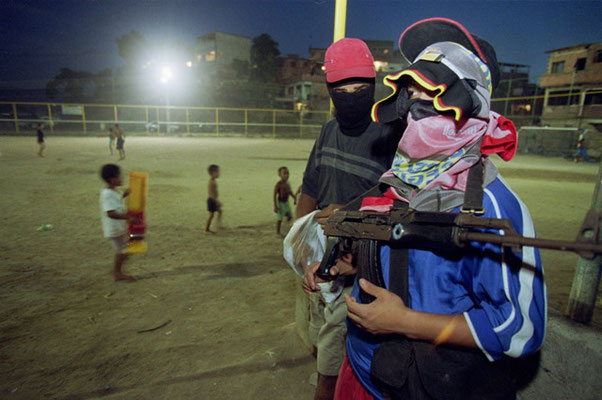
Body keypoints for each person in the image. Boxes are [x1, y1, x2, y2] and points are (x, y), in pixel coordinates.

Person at [304, 18, 548, 400]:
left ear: (468, 102)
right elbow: (406, 261)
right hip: (367, 372)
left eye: (434, 95)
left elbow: (521, 331)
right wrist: (356, 262)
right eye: (412, 95)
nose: (418, 109)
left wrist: (408, 323)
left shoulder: (494, 207)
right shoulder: (399, 179)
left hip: (436, 387)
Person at [296, 38, 399, 400]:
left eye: (361, 88)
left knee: (333, 361)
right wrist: (303, 248)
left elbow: (396, 208)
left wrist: (354, 250)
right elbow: (308, 190)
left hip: (360, 265)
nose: (352, 95)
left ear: (374, 85)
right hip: (318, 261)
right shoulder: (327, 131)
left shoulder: (391, 134)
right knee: (318, 339)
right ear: (329, 89)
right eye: (342, 88)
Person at [99, 163, 138, 281]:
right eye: (119, 176)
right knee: (121, 250)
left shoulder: (114, 191)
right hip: (114, 229)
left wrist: (125, 194)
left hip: (119, 227)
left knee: (124, 249)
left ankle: (120, 263)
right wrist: (129, 217)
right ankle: (117, 273)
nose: (122, 178)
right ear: (112, 180)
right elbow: (110, 213)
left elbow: (117, 200)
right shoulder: (107, 194)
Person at [274, 166, 297, 235]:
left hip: (286, 203)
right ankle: (278, 232)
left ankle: (285, 225)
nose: (286, 175)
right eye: (284, 173)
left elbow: (290, 192)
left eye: (287, 173)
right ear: (280, 175)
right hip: (280, 203)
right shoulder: (278, 184)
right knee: (279, 218)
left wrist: (294, 198)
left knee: (290, 216)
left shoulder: (288, 183)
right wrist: (275, 206)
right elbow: (274, 195)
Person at [205, 164, 222, 233]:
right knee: (211, 215)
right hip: (211, 201)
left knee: (220, 211)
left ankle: (218, 225)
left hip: (213, 200)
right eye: (217, 172)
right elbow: (212, 195)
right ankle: (207, 229)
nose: (219, 174)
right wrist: (217, 201)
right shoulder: (211, 182)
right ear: (212, 173)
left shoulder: (213, 181)